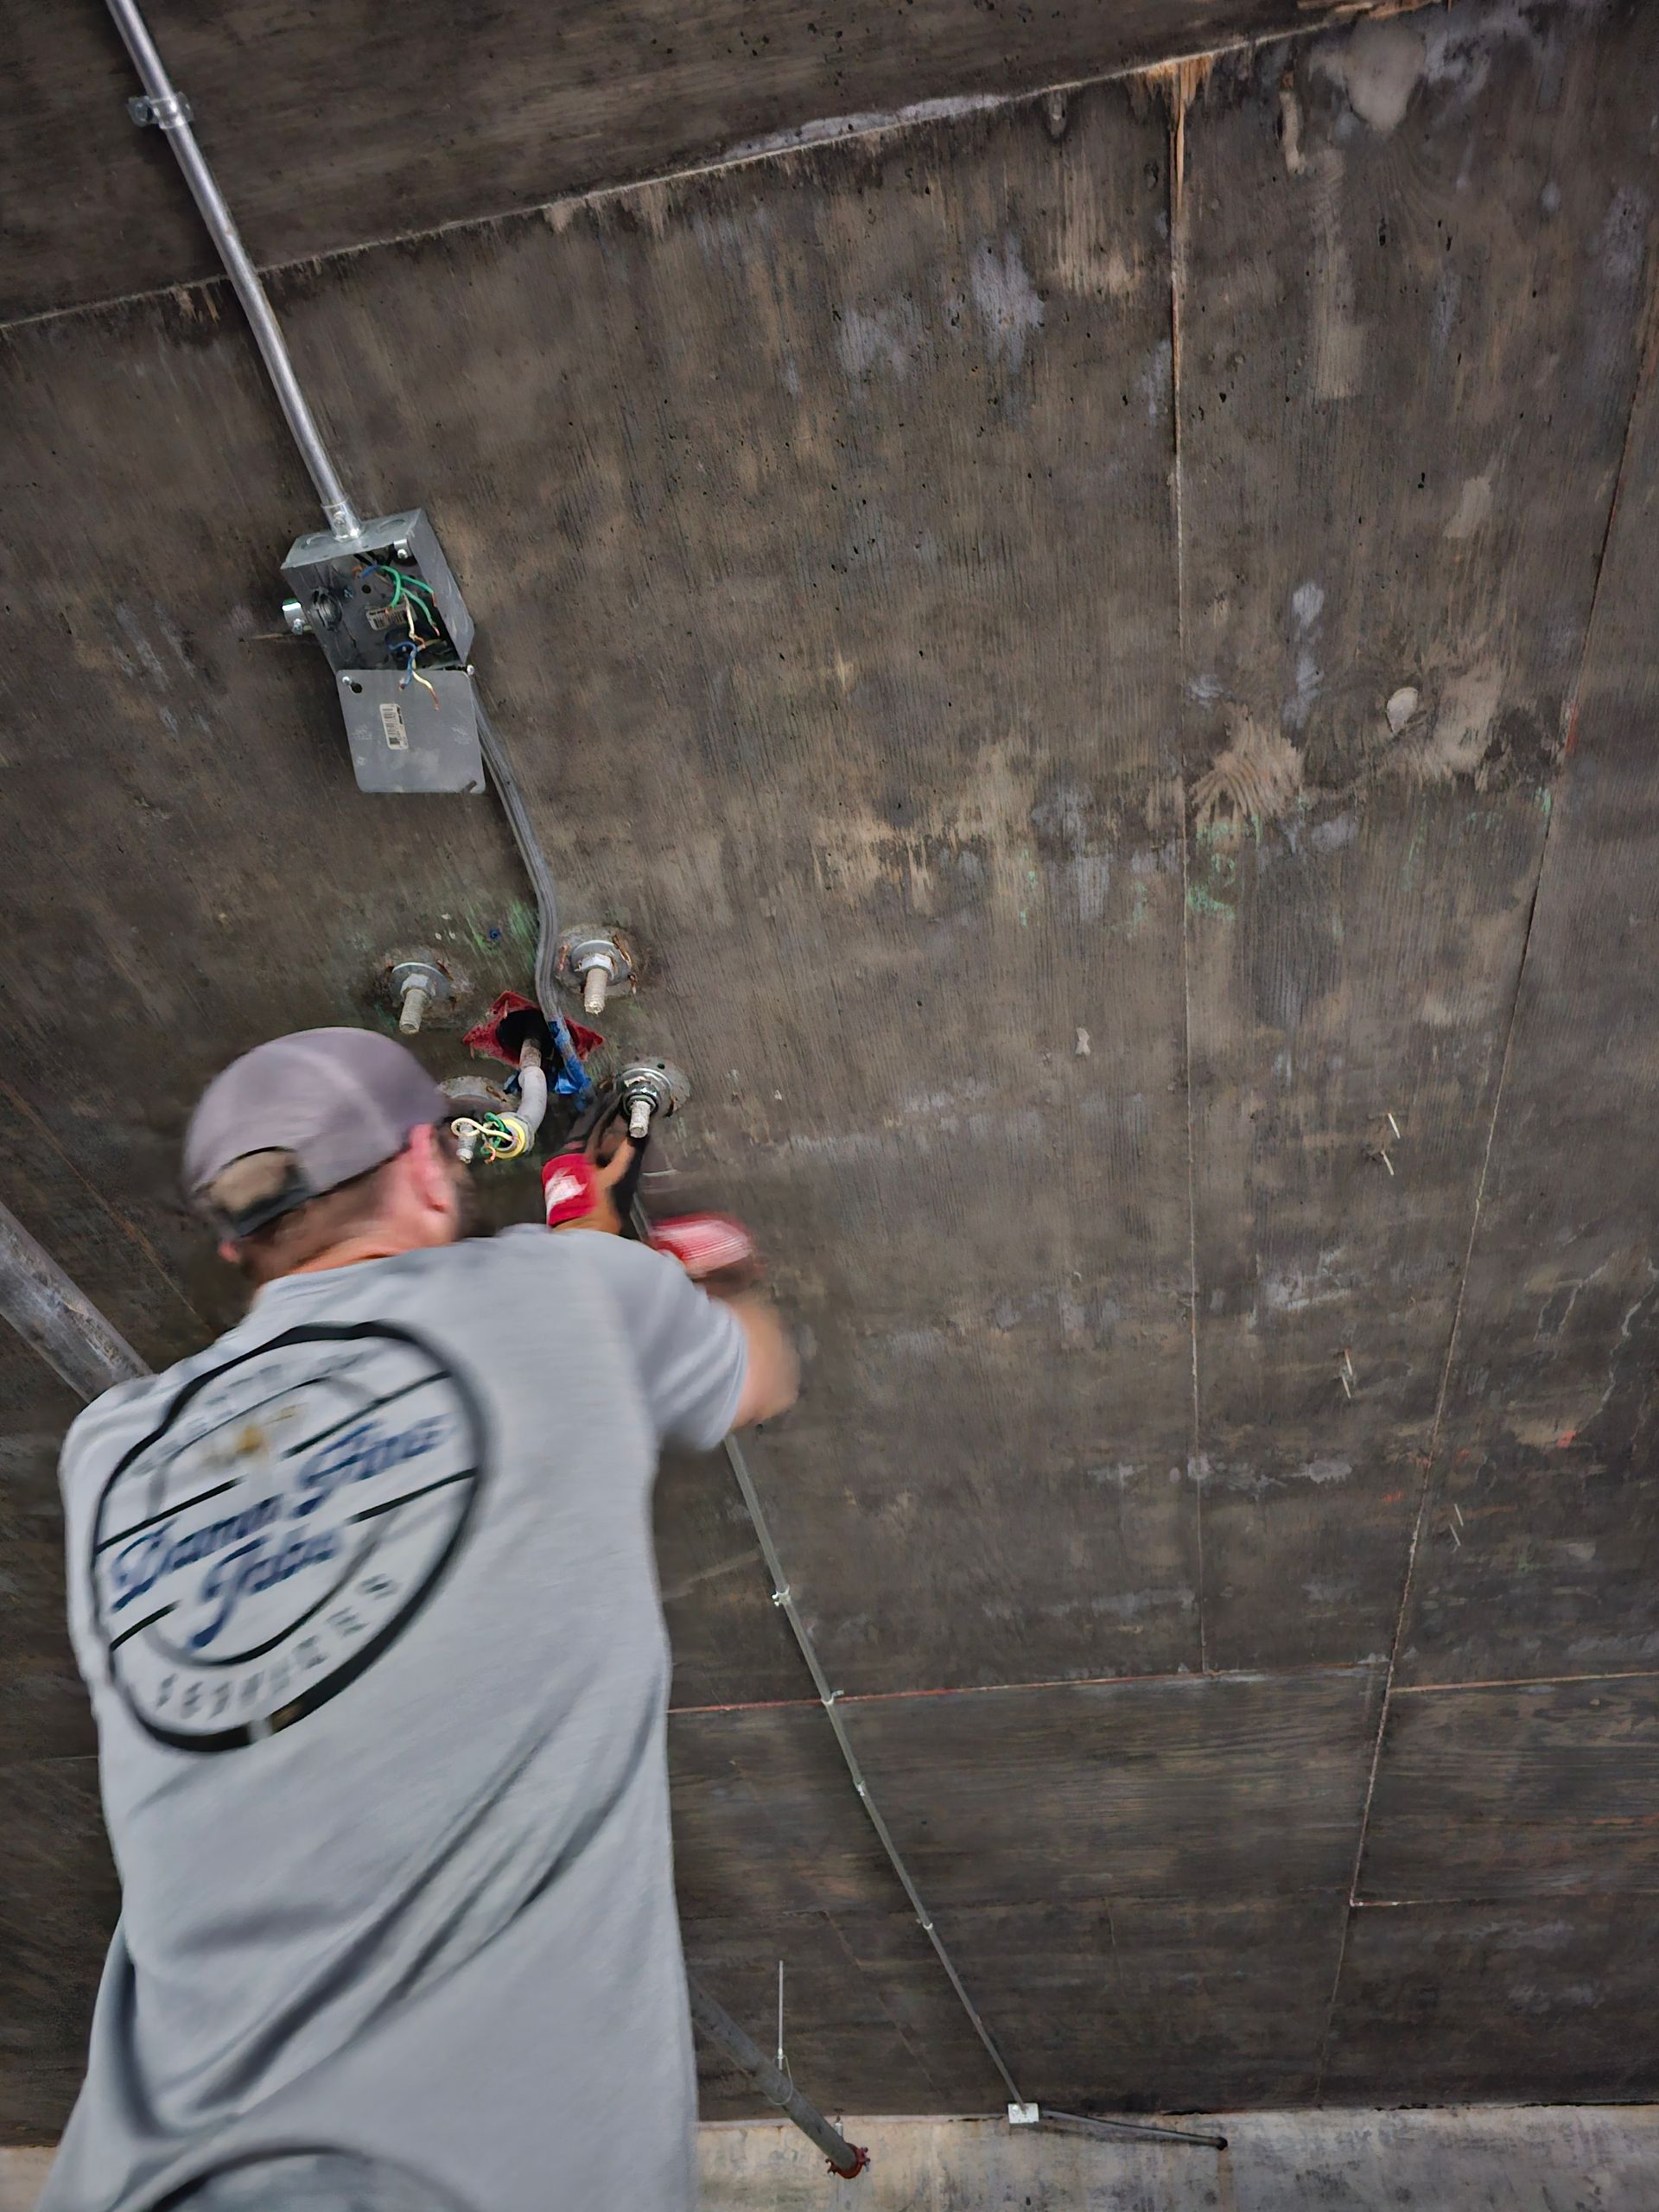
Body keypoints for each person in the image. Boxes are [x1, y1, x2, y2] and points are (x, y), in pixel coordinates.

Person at [41, 1027, 798, 2212]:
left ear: (240, 1239)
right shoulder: (564, 1296)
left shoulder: (109, 1452)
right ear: (427, 1165)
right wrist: (719, 1273)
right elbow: (752, 1377)